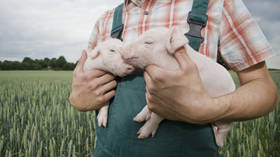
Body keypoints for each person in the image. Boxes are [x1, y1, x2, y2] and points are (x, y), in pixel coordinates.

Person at [69, 0, 279, 156]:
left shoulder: (218, 4)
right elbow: (84, 81)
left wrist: (207, 109)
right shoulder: (106, 20)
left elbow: (263, 89)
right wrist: (77, 99)